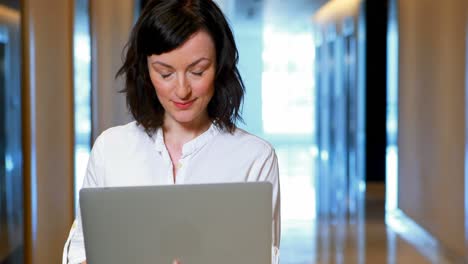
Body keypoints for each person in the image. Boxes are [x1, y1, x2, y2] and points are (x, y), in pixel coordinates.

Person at [64, 0, 280, 263]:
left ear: (220, 66)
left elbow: (262, 257)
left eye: (197, 71)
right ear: (145, 71)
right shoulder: (111, 149)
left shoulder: (255, 158)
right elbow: (79, 253)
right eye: (165, 73)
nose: (182, 90)